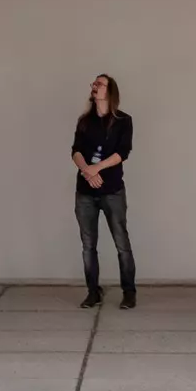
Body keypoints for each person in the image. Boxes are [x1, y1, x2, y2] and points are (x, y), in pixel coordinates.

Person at [72, 74, 136, 309]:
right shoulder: (84, 121)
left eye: (99, 84)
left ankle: (129, 292)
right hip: (85, 193)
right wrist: (86, 170)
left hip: (112, 191)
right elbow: (76, 151)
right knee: (88, 245)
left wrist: (96, 168)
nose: (94, 86)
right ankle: (93, 292)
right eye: (93, 83)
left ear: (110, 91)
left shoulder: (123, 121)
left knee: (122, 243)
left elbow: (123, 152)